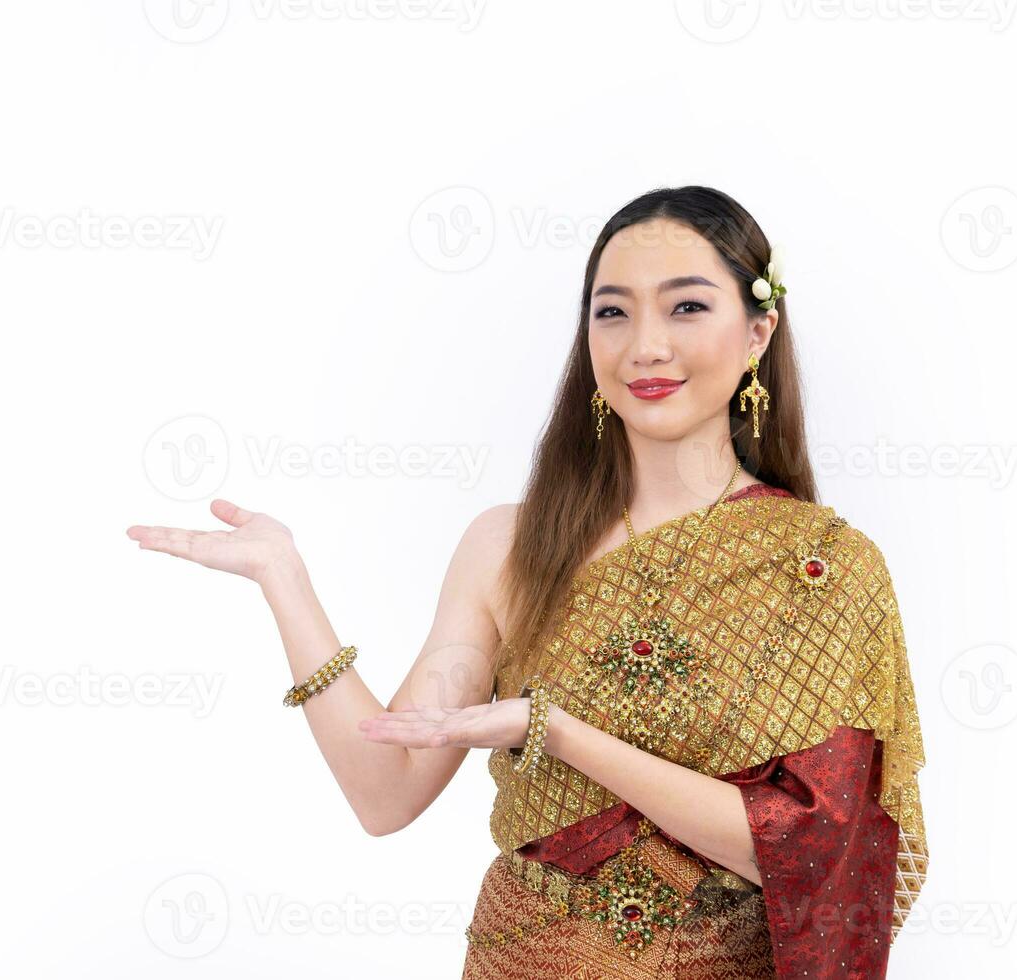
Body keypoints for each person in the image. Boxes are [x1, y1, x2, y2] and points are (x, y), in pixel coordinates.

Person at [126, 185, 928, 978]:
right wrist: (284, 580)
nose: (644, 345)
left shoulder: (822, 568)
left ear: (759, 330)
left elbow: (808, 848)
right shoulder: (510, 546)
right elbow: (385, 794)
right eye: (612, 312)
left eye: (686, 307)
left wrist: (557, 731)